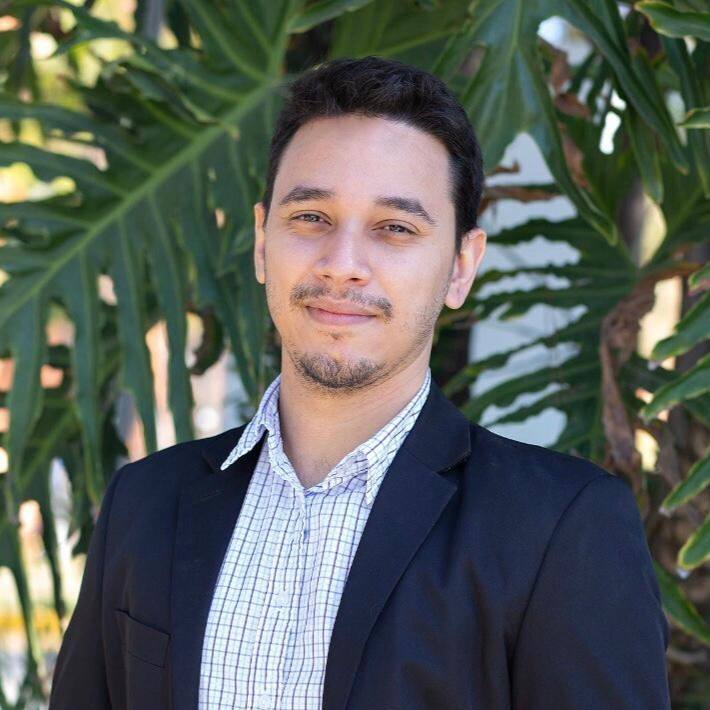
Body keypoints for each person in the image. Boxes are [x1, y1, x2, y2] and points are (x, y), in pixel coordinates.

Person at [49, 55, 670, 710]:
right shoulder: (144, 501)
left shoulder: (560, 529)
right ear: (261, 241)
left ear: (461, 266)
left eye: (395, 228)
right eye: (311, 217)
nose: (342, 264)